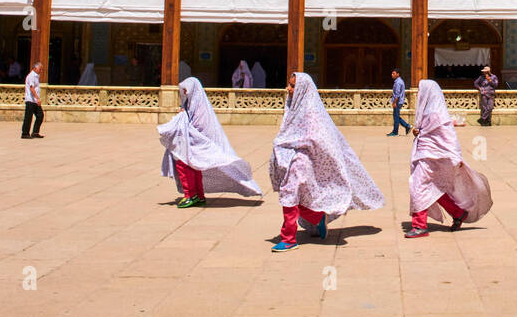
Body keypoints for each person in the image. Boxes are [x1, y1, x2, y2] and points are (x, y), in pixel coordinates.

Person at [269, 72, 385, 252]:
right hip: (294, 157)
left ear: (302, 89)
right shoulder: (294, 107)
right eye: (289, 85)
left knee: (289, 194)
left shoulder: (312, 112)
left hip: (302, 160)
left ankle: (289, 237)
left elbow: (318, 138)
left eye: (292, 86)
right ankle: (317, 218)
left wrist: (295, 142)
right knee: (294, 196)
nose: (288, 89)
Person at [406, 80, 493, 238]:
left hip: (436, 158)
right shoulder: (428, 112)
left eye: (421, 91)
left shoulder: (437, 114)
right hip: (427, 156)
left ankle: (419, 226)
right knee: (434, 187)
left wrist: (456, 157)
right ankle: (458, 213)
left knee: (418, 187)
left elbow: (449, 137)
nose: (419, 95)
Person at [158, 77, 261, 208]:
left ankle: (191, 195)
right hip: (190, 144)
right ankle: (198, 195)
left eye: (185, 90)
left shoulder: (200, 108)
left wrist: (183, 122)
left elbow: (200, 127)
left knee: (184, 166)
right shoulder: (190, 105)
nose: (184, 93)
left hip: (197, 144)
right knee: (193, 167)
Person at [21, 61, 44, 139]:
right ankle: (25, 133)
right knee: (28, 117)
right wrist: (37, 98)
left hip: (34, 100)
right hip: (30, 100)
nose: (41, 71)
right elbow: (31, 88)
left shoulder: (37, 76)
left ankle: (35, 132)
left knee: (40, 115)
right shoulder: (31, 76)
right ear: (35, 68)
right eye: (40, 69)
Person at [388, 68, 411, 136]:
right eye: (392, 73)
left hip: (397, 102)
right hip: (399, 101)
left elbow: (397, 94)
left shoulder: (398, 82)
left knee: (396, 117)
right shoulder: (399, 81)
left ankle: (396, 132)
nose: (392, 75)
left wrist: (394, 102)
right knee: (396, 116)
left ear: (398, 74)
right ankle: (407, 126)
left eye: (394, 73)